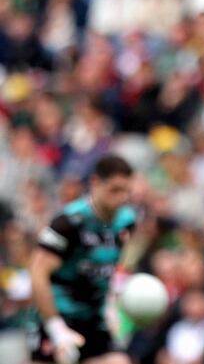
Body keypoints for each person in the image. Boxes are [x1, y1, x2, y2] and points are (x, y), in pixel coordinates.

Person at [29, 154, 137, 364]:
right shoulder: (69, 222)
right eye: (115, 190)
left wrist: (111, 305)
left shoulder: (127, 221)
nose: (121, 198)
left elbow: (111, 267)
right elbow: (37, 273)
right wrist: (56, 328)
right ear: (95, 183)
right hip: (59, 316)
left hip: (94, 320)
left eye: (126, 191)